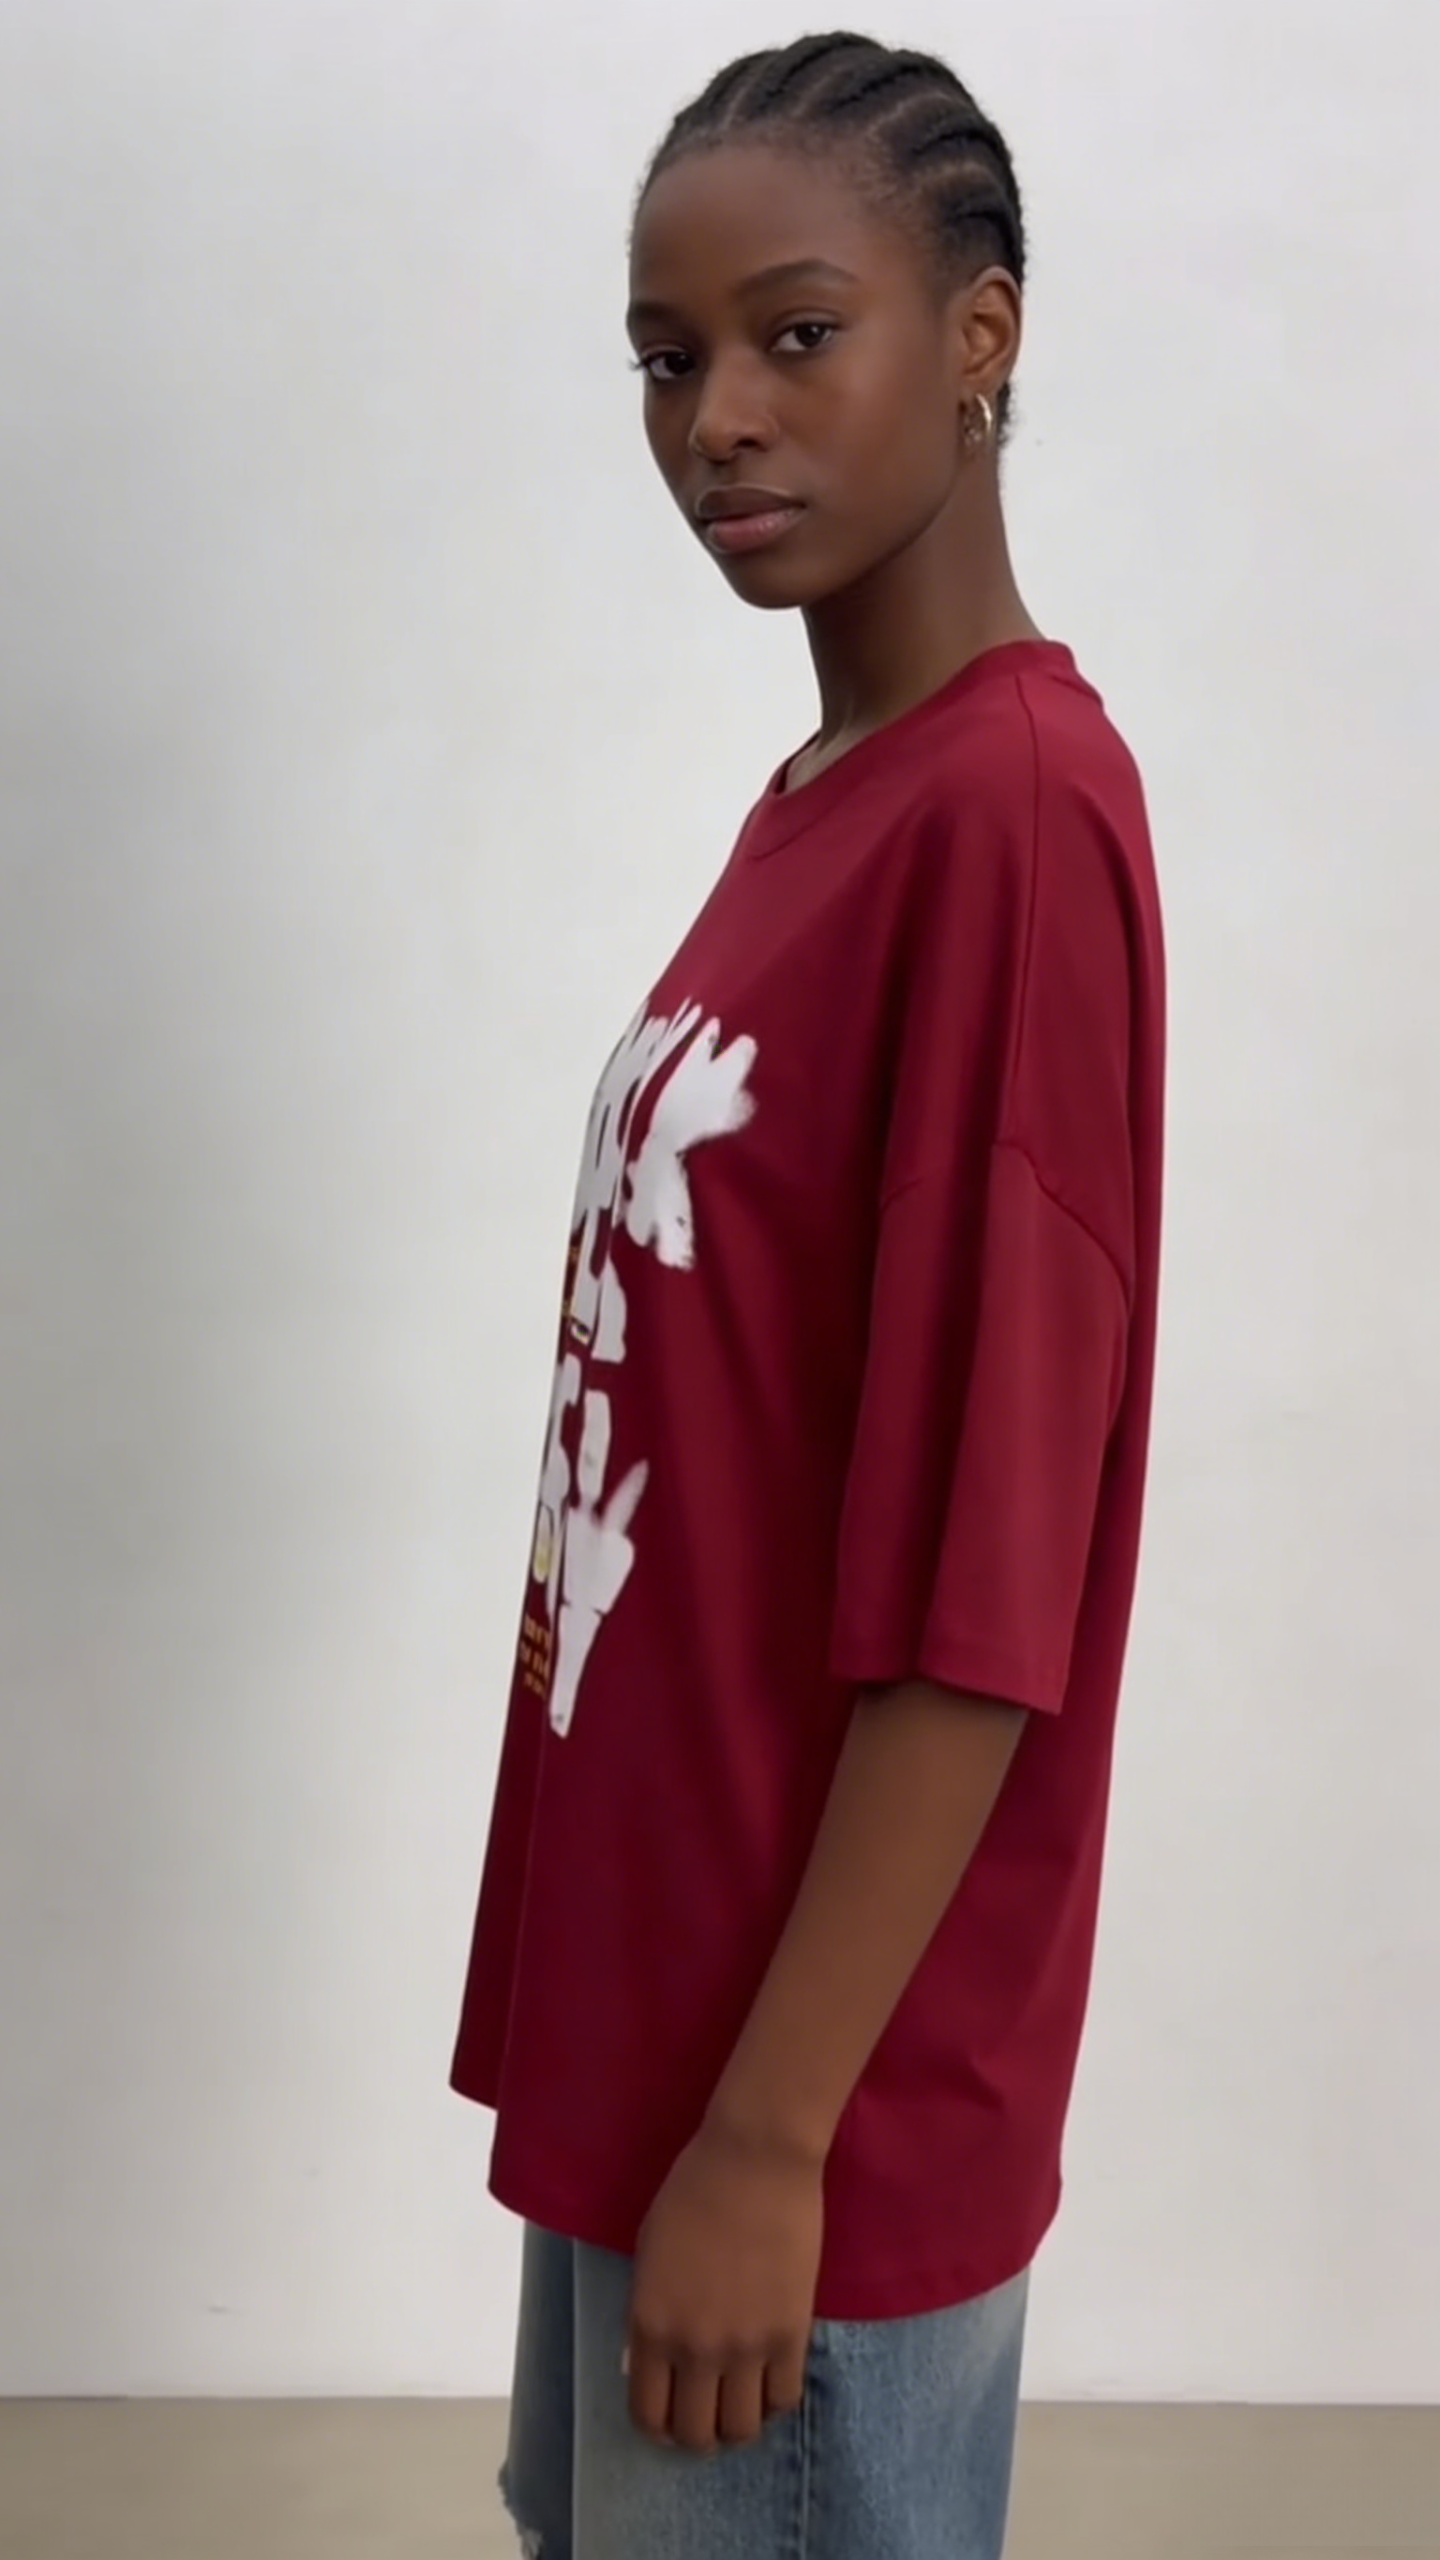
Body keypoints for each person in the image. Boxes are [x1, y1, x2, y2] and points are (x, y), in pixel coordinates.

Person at [449, 30, 1167, 2560]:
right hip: (671, 2021)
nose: (717, 420)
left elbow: (988, 1578)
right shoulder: (834, 799)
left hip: (806, 2107)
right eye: (668, 359)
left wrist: (773, 2135)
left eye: (795, 333)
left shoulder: (1013, 816)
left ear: (981, 335)